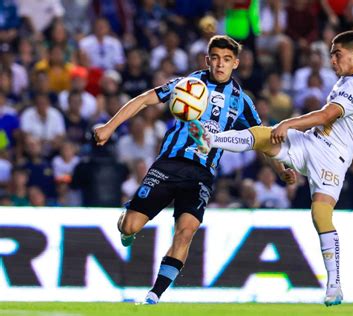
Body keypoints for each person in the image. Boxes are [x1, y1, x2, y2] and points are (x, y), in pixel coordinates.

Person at [189, 31, 353, 306]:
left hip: (333, 158)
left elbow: (325, 115)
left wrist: (288, 123)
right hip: (312, 142)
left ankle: (334, 284)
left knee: (320, 213)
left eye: (337, 54)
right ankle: (211, 140)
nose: (331, 59)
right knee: (265, 136)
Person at [93, 35, 295, 304]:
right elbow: (143, 99)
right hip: (169, 164)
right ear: (207, 59)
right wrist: (109, 126)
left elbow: (261, 139)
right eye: (215, 58)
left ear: (236, 63)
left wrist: (281, 169)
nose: (220, 65)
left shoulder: (241, 101)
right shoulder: (188, 84)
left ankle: (155, 295)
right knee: (130, 225)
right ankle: (126, 228)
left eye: (226, 60)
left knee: (186, 231)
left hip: (202, 173)